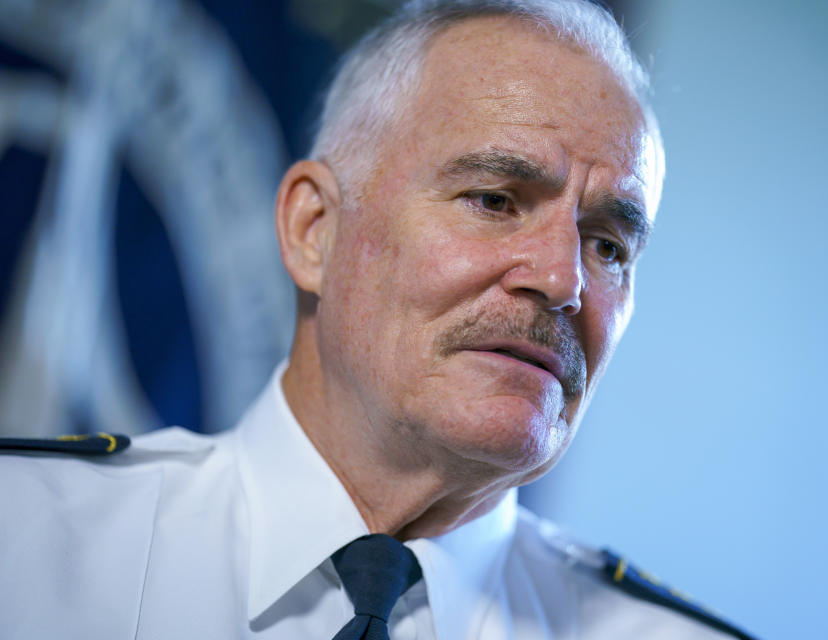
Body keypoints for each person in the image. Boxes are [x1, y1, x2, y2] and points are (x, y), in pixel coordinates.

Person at [0, 1, 757, 638]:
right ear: (313, 229)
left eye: (608, 245)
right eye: (494, 200)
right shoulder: (24, 538)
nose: (564, 281)